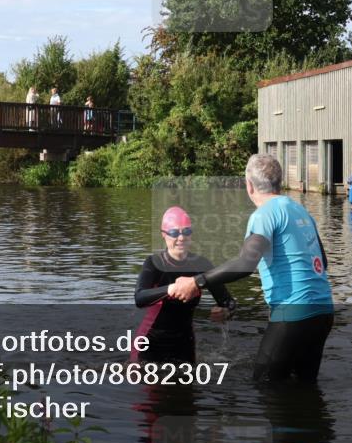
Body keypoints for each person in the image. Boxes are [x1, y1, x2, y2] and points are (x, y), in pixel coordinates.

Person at [169, 154, 333, 383]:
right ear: (279, 181)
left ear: (249, 185)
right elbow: (323, 263)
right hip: (324, 312)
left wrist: (195, 282)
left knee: (264, 387)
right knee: (304, 387)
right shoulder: (300, 210)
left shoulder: (264, 214)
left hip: (294, 313)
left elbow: (245, 264)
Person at [134, 207, 236, 364]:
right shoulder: (154, 263)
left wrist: (225, 312)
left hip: (185, 344)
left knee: (188, 387)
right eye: (174, 233)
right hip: (150, 344)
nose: (181, 238)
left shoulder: (202, 265)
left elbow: (228, 302)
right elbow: (139, 298)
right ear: (164, 234)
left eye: (186, 232)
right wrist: (170, 289)